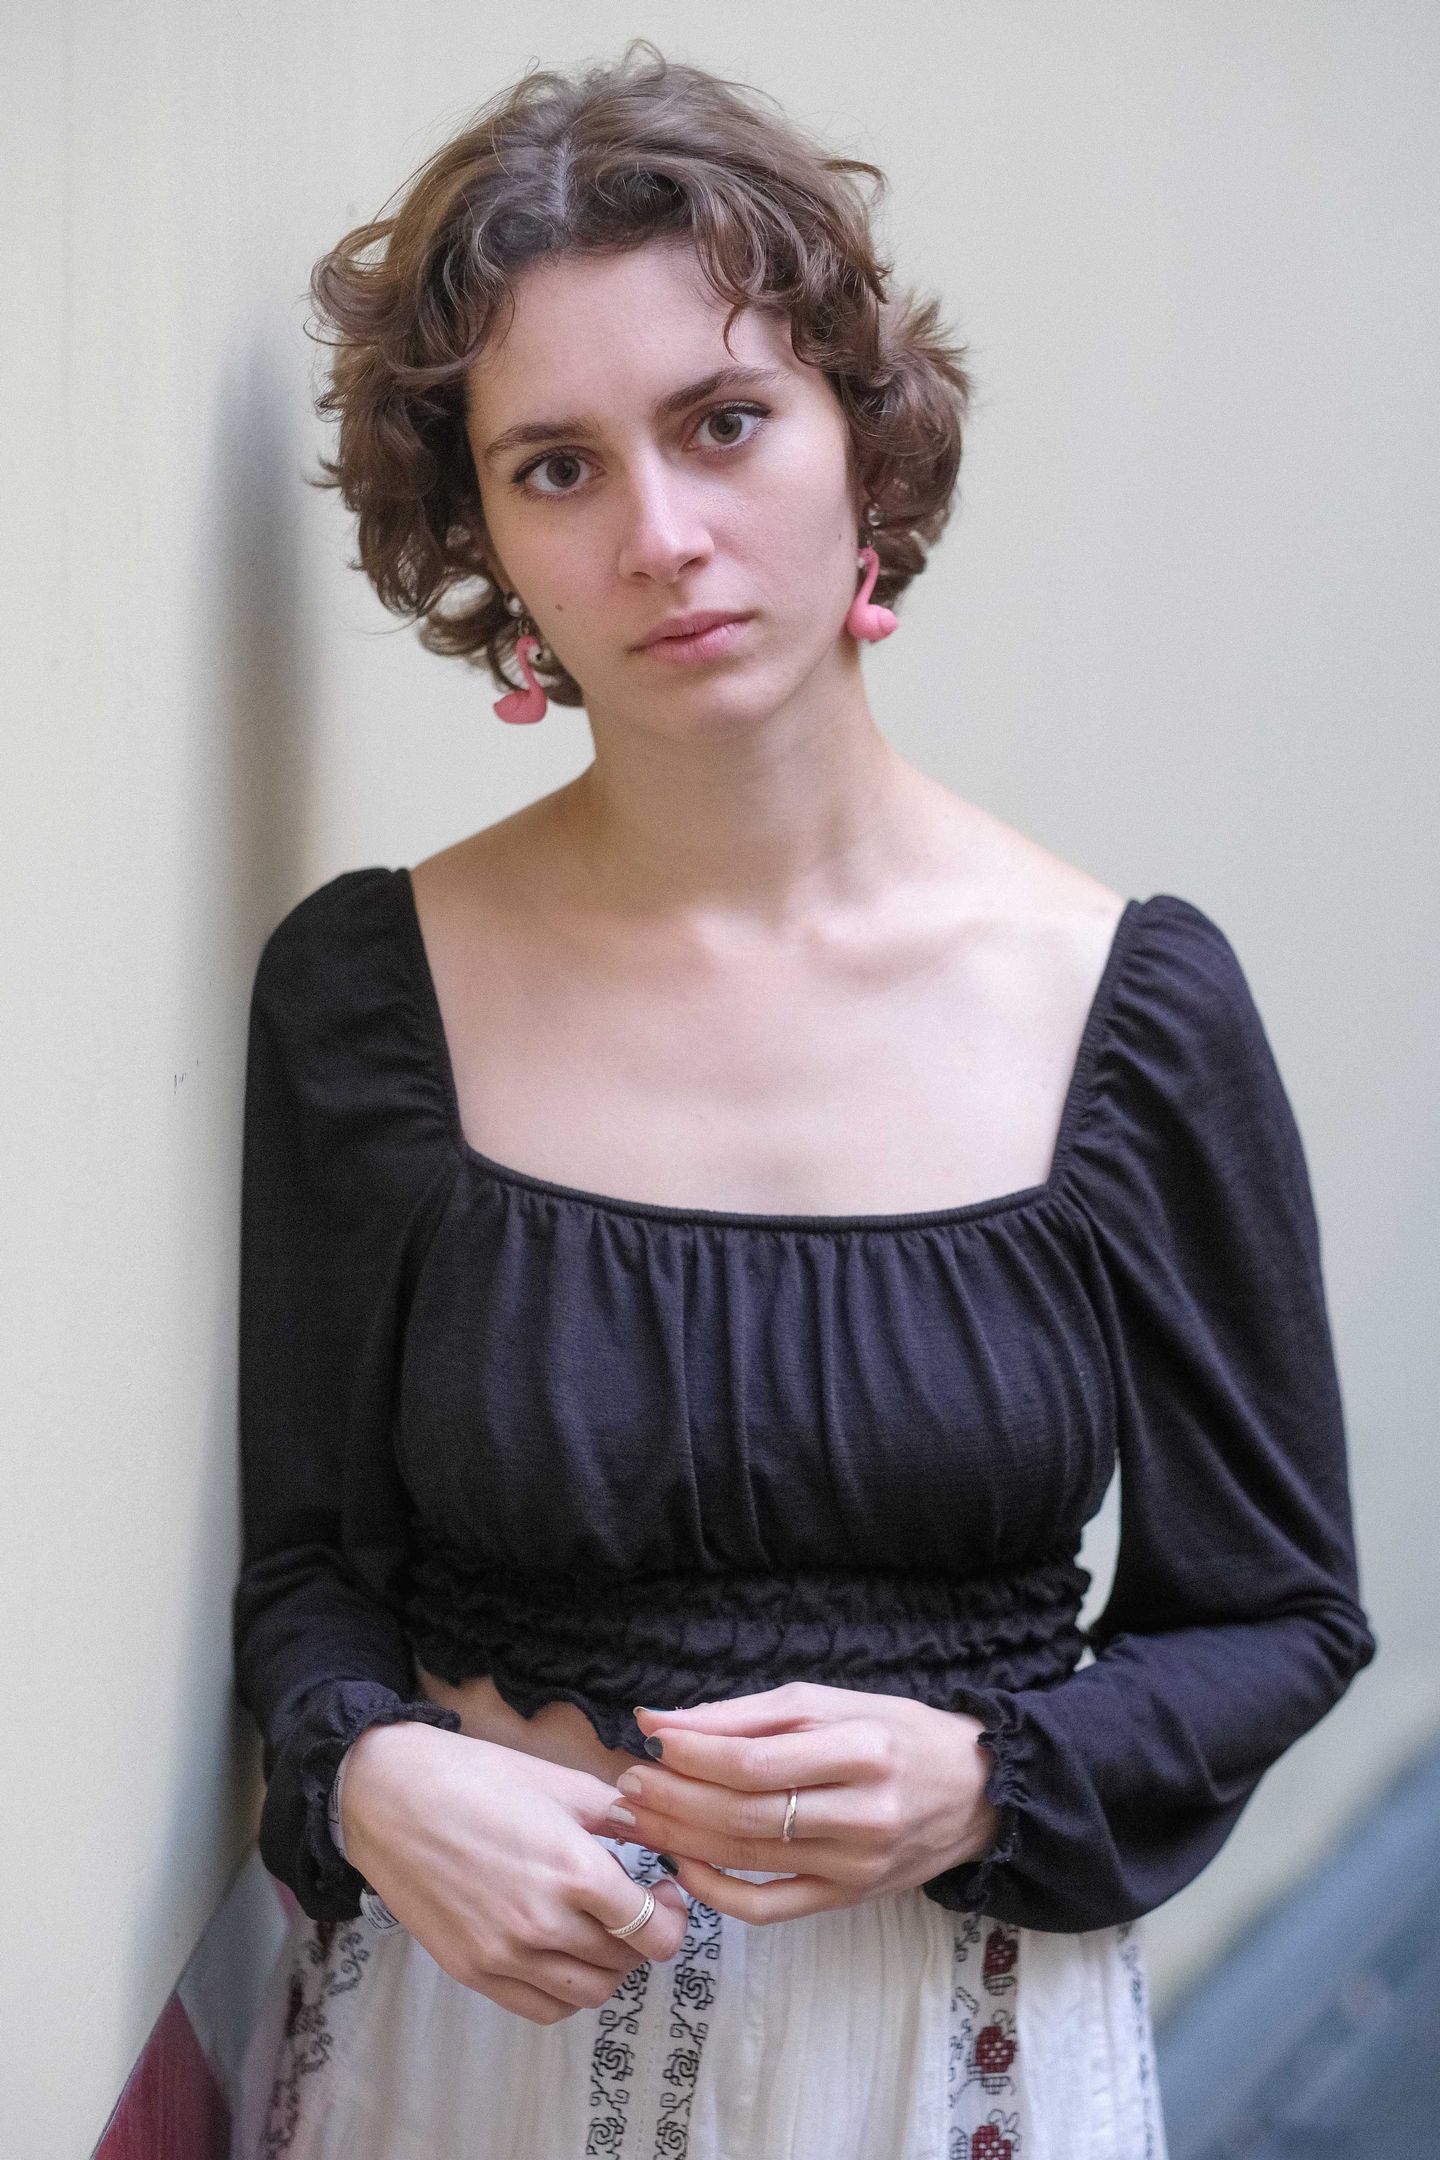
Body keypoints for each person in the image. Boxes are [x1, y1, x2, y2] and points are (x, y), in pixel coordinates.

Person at [229, 42, 1376, 2160]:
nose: (662, 536)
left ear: (866, 432)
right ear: (481, 540)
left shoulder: (1130, 1012)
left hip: (939, 2048)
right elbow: (305, 1566)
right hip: (475, 2051)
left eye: (725, 422)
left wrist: (989, 1780)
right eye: (555, 468)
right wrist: (367, 1775)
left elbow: (1281, 1612)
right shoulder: (366, 1000)